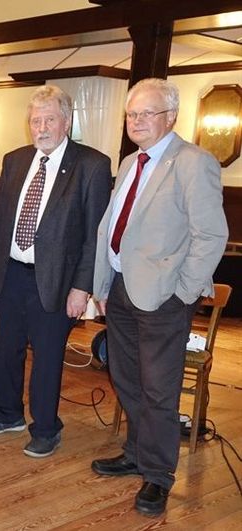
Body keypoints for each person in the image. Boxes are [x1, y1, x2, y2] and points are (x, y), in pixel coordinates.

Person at [90, 78, 228, 517]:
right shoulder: (131, 162)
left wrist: (183, 291)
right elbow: (119, 225)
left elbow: (211, 236)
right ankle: (135, 451)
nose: (136, 121)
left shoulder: (194, 162)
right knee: (126, 378)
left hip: (165, 296)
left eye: (146, 113)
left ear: (171, 117)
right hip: (124, 288)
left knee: (159, 389)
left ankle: (158, 475)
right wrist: (105, 283)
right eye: (132, 114)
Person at [0, 85, 111, 458]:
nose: (42, 127)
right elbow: (1, 220)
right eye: (36, 120)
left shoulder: (92, 165)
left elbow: (94, 236)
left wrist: (82, 288)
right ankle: (6, 414)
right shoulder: (15, 160)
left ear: (66, 121)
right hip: (11, 273)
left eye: (50, 119)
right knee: (7, 348)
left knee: (48, 356)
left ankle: (47, 428)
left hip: (56, 281)